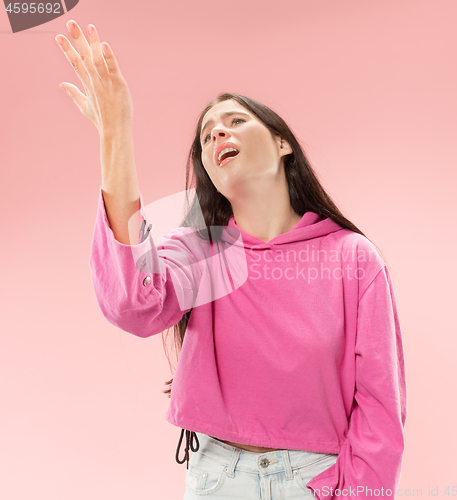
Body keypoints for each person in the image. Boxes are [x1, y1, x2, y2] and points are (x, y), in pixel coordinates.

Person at [56, 20, 407, 500]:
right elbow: (130, 304)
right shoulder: (200, 250)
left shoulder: (353, 257)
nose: (218, 132)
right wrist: (116, 133)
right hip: (217, 478)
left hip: (317, 481)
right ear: (210, 174)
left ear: (284, 145)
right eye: (206, 136)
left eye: (236, 121)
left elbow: (380, 404)